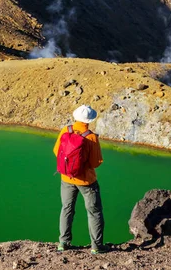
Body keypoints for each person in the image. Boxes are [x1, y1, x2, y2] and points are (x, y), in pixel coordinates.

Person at [53, 104, 106, 254]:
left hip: (67, 178)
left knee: (67, 209)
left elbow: (56, 151)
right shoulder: (91, 137)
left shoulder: (66, 130)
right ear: (89, 120)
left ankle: (63, 242)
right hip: (87, 181)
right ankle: (96, 247)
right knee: (94, 212)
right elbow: (96, 162)